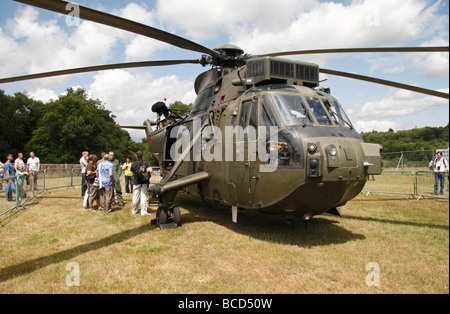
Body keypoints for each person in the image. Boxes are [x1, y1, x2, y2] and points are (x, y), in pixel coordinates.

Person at [131, 151, 152, 216]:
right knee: (143, 196)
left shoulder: (134, 164)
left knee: (135, 196)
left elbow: (132, 174)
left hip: (136, 181)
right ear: (142, 155)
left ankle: (134, 210)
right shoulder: (146, 163)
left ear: (136, 156)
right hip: (144, 182)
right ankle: (143, 211)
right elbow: (150, 170)